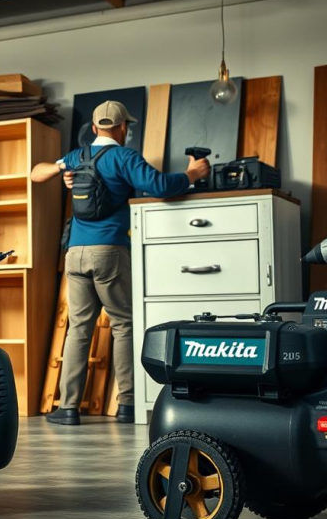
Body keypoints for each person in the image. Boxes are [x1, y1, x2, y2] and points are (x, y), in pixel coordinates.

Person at [30, 101, 211, 425]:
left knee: (78, 330)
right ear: (123, 128)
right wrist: (193, 173)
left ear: (96, 128)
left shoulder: (77, 156)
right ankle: (126, 403)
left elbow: (35, 173)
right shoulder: (124, 157)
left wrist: (62, 170)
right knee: (123, 324)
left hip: (74, 253)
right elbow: (159, 186)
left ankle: (68, 408)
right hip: (109, 251)